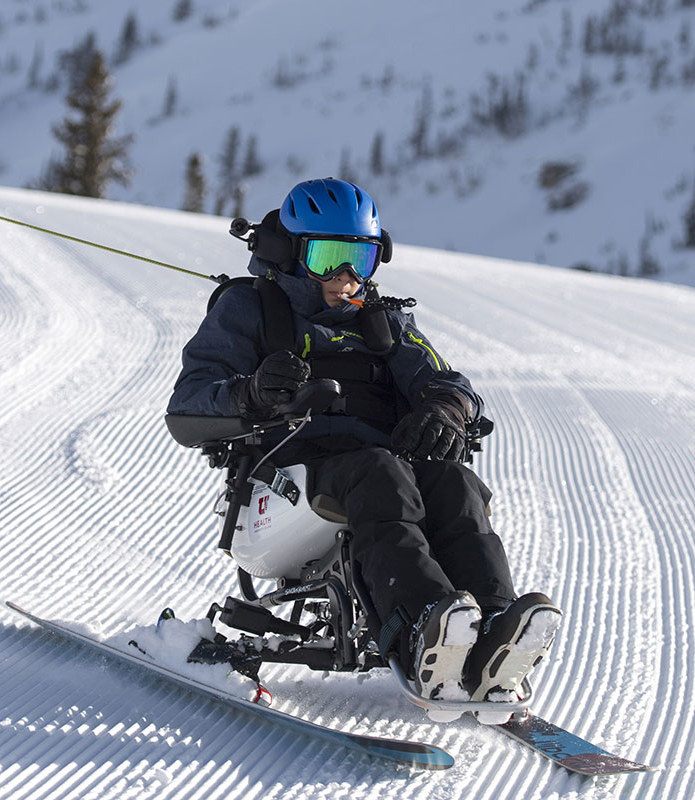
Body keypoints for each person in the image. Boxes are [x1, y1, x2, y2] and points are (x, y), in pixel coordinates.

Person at [167, 177, 561, 711]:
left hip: (376, 477)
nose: (346, 278)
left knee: (453, 481)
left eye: (361, 259)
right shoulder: (248, 309)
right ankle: (420, 628)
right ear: (291, 252)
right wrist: (251, 395)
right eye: (329, 256)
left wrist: (445, 410)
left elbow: (450, 383)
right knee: (379, 472)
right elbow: (188, 405)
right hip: (282, 488)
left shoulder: (385, 324)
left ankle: (492, 631)